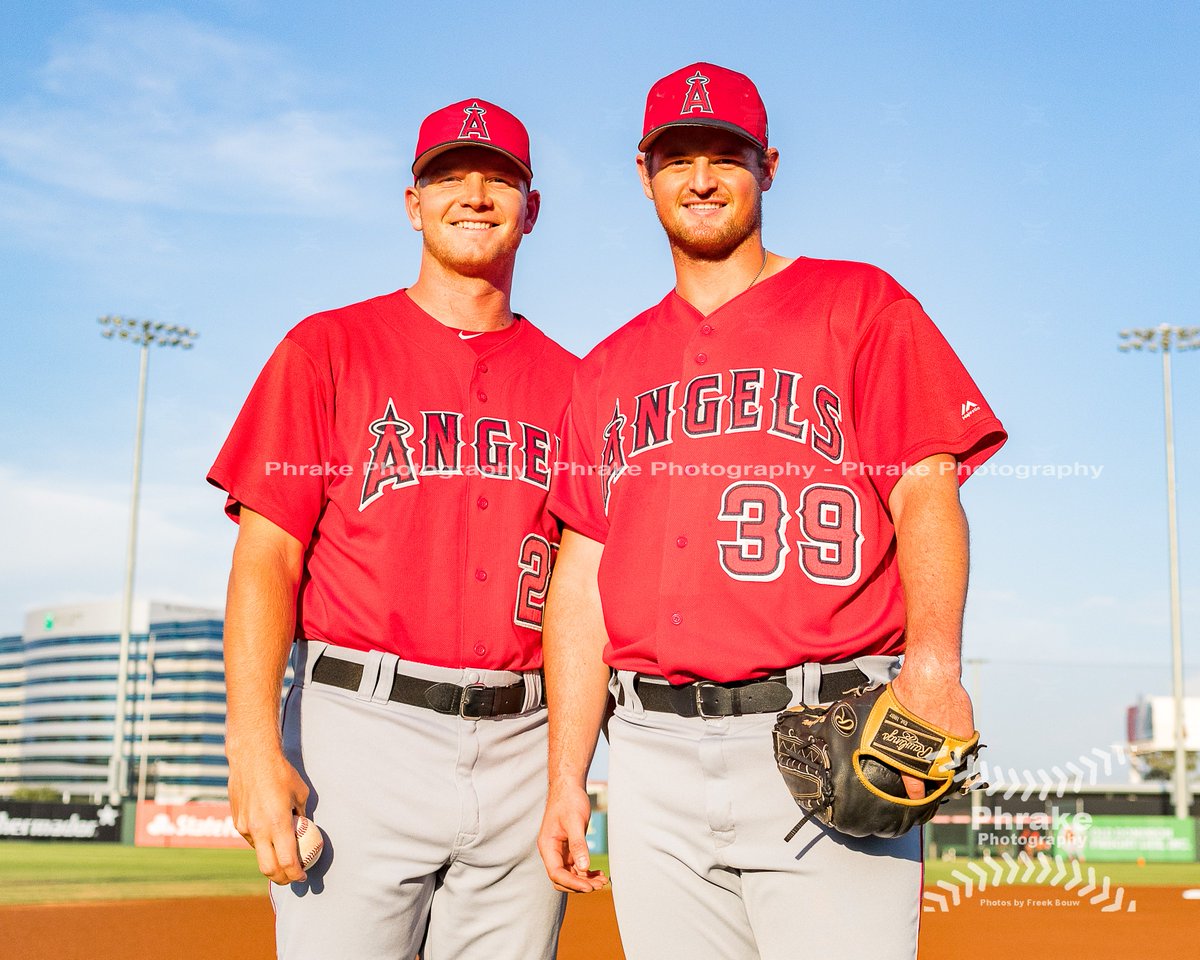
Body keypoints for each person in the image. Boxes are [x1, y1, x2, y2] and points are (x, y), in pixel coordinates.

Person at [537, 62, 1007, 960]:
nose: (702, 178)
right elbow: (583, 580)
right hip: (650, 755)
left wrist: (936, 666)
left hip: (823, 732)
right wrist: (569, 775)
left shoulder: (860, 304)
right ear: (645, 176)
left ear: (770, 166)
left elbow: (925, 485)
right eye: (678, 157)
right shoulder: (607, 368)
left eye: (727, 155)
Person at [208, 97, 575, 960]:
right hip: (357, 734)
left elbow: (587, 589)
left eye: (500, 180)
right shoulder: (327, 349)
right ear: (413, 203)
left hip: (525, 740)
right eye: (449, 177)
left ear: (532, 208)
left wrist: (571, 767)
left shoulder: (575, 383)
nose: (476, 196)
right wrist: (253, 747)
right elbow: (268, 555)